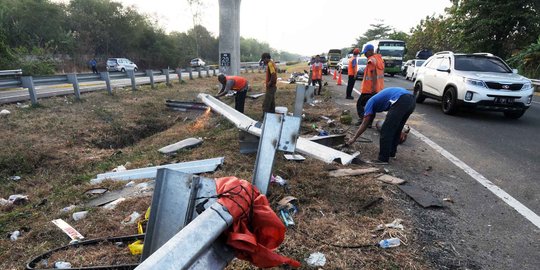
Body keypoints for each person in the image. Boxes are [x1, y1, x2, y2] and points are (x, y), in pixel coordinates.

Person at [346, 87, 415, 164]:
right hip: (411, 100)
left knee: (386, 130)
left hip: (401, 99)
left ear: (364, 105)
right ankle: (391, 153)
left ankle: (383, 158)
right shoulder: (376, 98)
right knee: (397, 129)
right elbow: (369, 119)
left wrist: (354, 138)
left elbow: (365, 123)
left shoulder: (369, 102)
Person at [356, 44, 385, 125]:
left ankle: (364, 120)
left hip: (369, 89)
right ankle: (369, 123)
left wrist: (373, 88)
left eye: (365, 52)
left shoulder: (371, 60)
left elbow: (374, 74)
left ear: (370, 51)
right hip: (378, 88)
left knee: (360, 105)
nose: (365, 54)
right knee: (371, 106)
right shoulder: (379, 59)